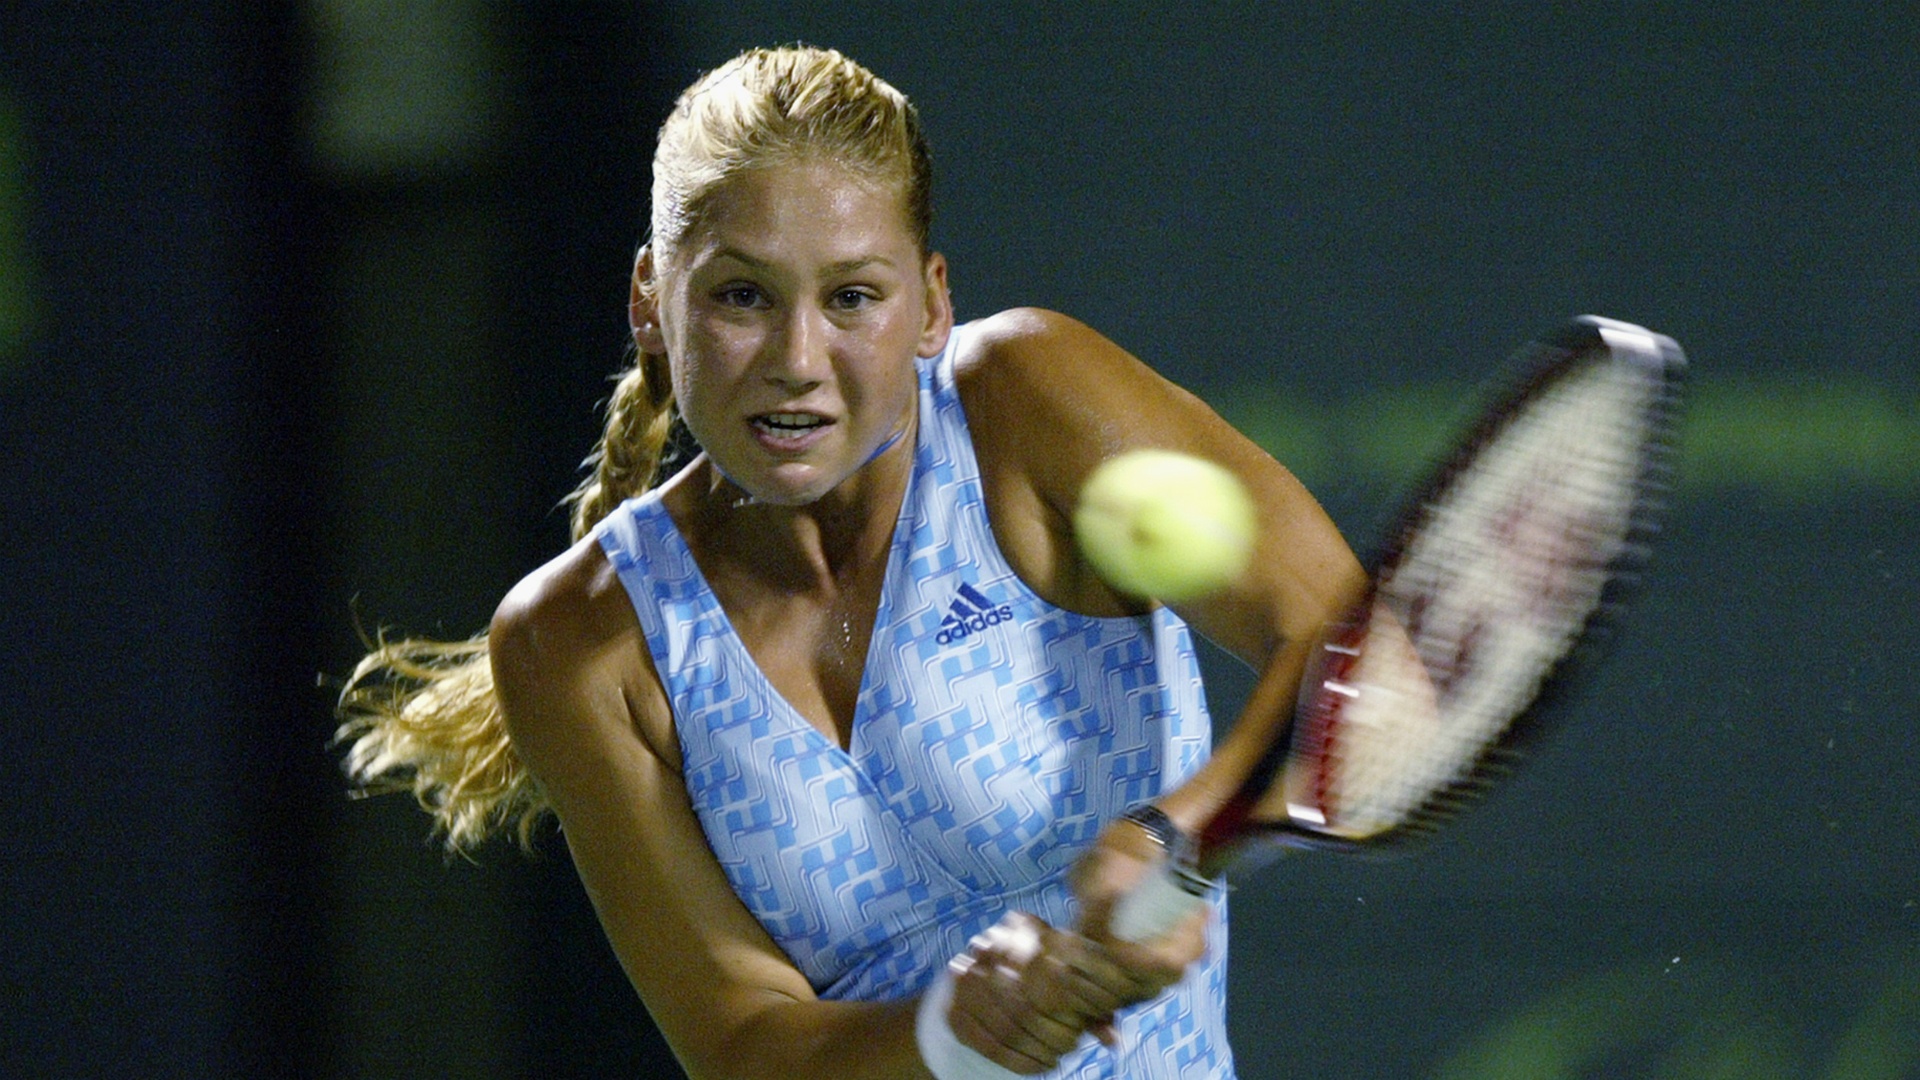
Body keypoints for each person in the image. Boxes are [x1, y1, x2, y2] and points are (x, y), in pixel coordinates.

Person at [337, 45, 1366, 1079]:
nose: (796, 358)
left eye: (851, 298)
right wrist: (951, 1030)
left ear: (931, 304)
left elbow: (1354, 642)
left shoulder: (1030, 400)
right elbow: (743, 1044)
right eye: (741, 296)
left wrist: (1177, 840)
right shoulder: (576, 641)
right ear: (652, 300)